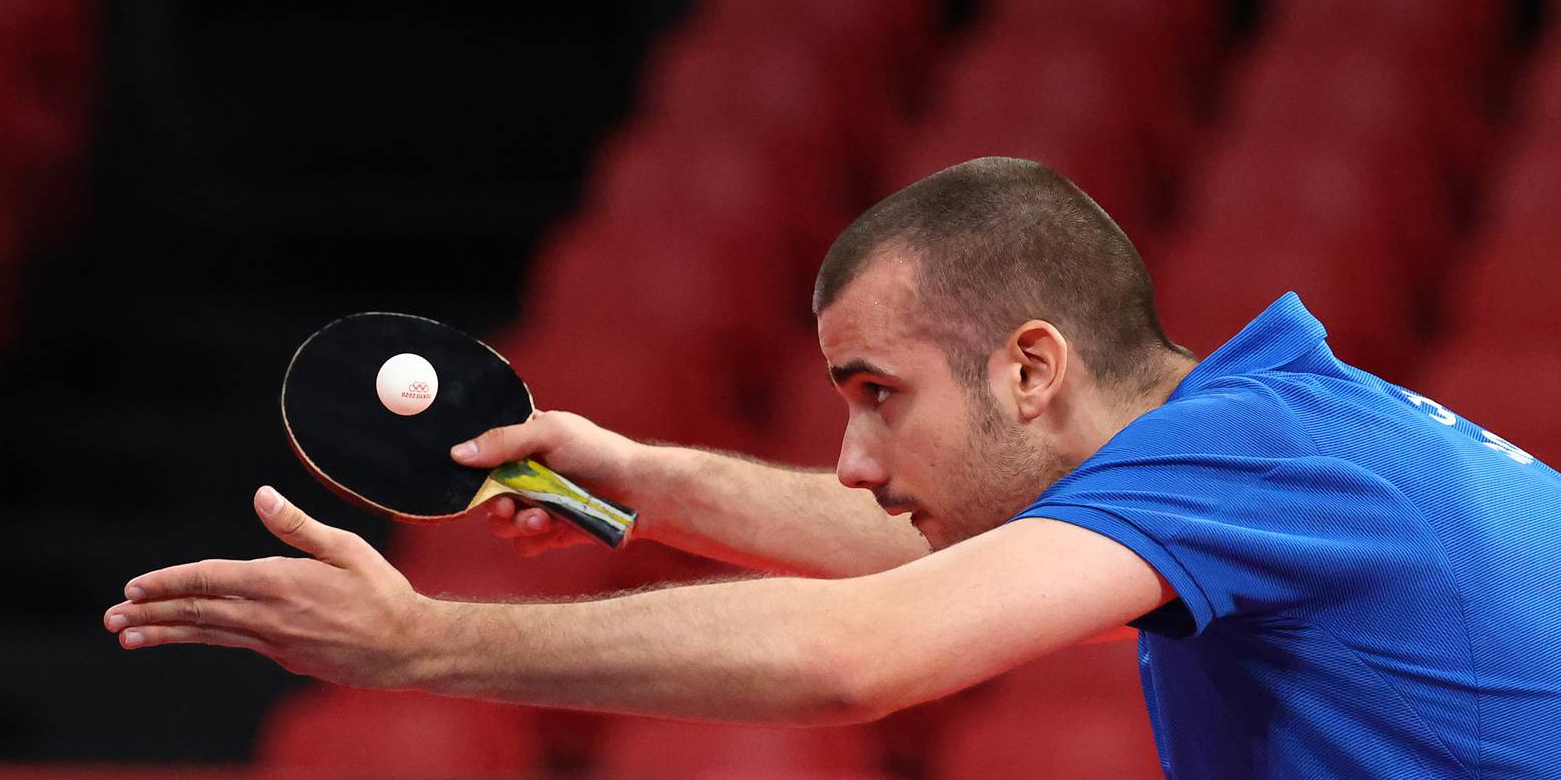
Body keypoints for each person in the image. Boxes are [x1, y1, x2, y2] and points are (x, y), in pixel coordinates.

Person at [104, 157, 1561, 776]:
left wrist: (419, 646)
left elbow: (867, 654)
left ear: (1032, 368)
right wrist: (644, 480)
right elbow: (947, 560)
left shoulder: (1252, 463)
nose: (856, 460)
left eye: (879, 396)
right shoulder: (1269, 438)